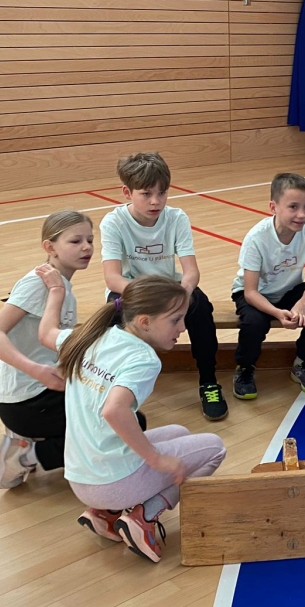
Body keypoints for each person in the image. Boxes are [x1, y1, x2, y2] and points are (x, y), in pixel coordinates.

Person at [37, 270, 225, 562]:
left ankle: (106, 514)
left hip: (79, 477)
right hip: (112, 483)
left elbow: (45, 332)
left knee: (178, 432)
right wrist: (156, 459)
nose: (183, 327)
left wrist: (56, 292)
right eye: (175, 320)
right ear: (144, 321)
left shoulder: (90, 337)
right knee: (214, 447)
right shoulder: (143, 359)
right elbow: (114, 410)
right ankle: (145, 515)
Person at [0, 210, 133, 489]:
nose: (87, 247)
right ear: (50, 247)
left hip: (43, 391)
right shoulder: (38, 283)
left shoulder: (60, 285)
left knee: (123, 411)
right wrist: (36, 371)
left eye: (90, 240)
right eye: (75, 241)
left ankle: (30, 442)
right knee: (123, 422)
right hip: (27, 401)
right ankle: (25, 456)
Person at [100, 152, 225, 420]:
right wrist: (150, 298)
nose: (156, 201)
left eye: (162, 193)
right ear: (127, 192)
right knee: (113, 318)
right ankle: (116, 390)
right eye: (146, 194)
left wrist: (183, 296)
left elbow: (191, 272)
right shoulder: (113, 222)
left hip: (170, 289)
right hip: (132, 290)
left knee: (201, 307)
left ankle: (209, 382)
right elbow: (112, 278)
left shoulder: (177, 218)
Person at [231, 173, 305, 400]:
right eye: (293, 207)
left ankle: (303, 362)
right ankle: (245, 368)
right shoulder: (256, 237)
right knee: (254, 322)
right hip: (255, 293)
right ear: (273, 207)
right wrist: (278, 313)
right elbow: (250, 292)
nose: (302, 214)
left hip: (289, 290)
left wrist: (301, 305)